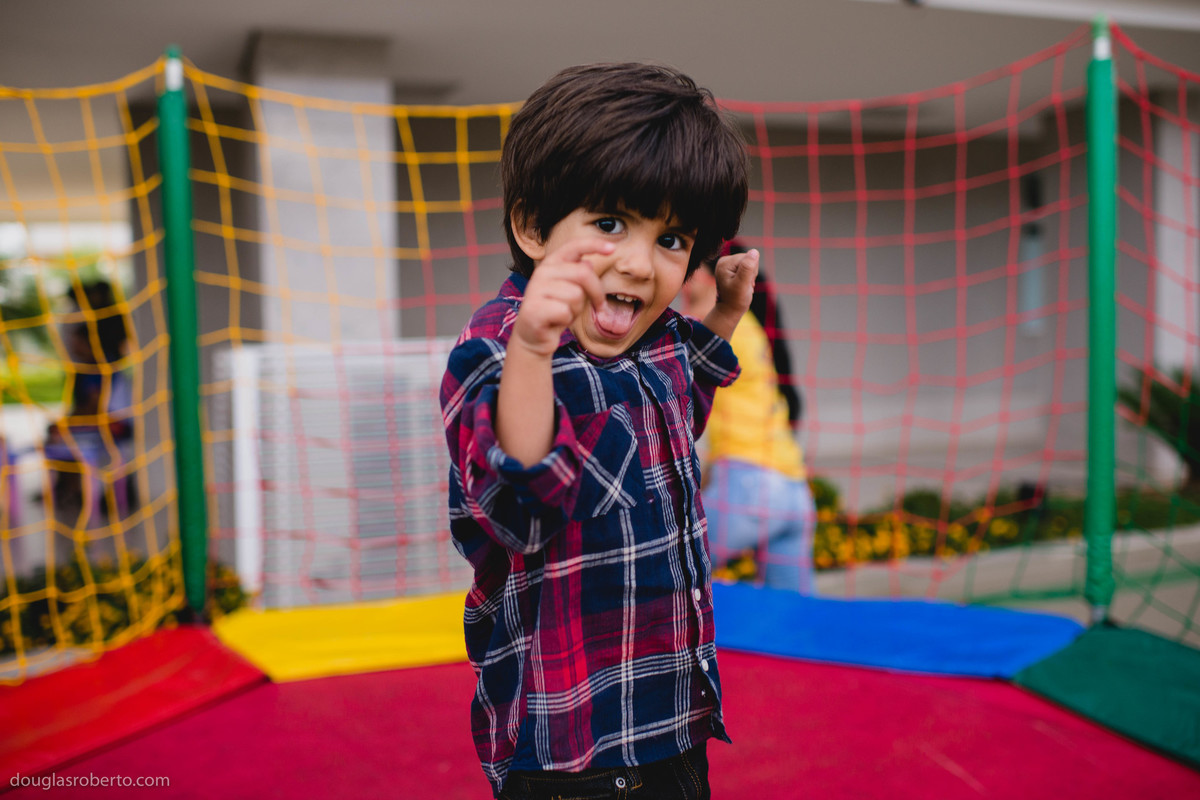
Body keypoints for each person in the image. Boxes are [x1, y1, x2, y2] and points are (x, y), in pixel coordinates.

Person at [440, 63, 755, 799]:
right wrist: (531, 352)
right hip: (569, 747)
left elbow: (676, 419)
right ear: (532, 225)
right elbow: (520, 508)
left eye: (672, 239)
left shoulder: (656, 340)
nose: (641, 264)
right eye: (610, 224)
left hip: (672, 714)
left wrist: (724, 319)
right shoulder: (495, 345)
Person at [682, 242, 816, 594]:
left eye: (691, 267)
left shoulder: (719, 325)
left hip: (750, 489)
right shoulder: (753, 328)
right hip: (793, 491)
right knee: (793, 621)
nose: (683, 278)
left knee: (666, 569)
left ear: (719, 279)